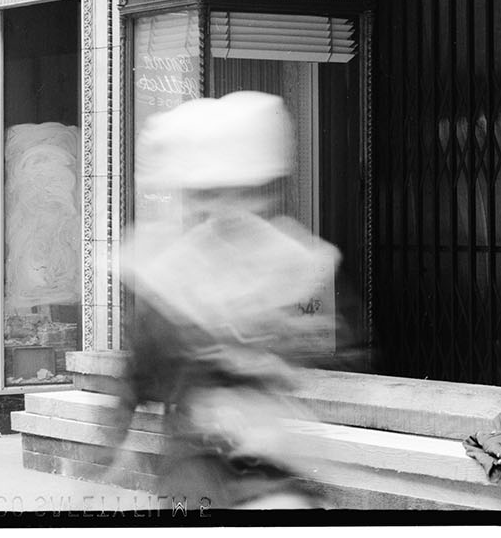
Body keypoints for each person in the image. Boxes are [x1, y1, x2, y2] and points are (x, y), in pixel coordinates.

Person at [106, 91, 344, 510]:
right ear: (195, 198)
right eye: (213, 193)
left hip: (268, 450)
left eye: (245, 192)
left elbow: (320, 346)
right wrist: (114, 441)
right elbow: (139, 372)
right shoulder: (168, 273)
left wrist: (273, 357)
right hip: (198, 457)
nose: (230, 206)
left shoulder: (283, 257)